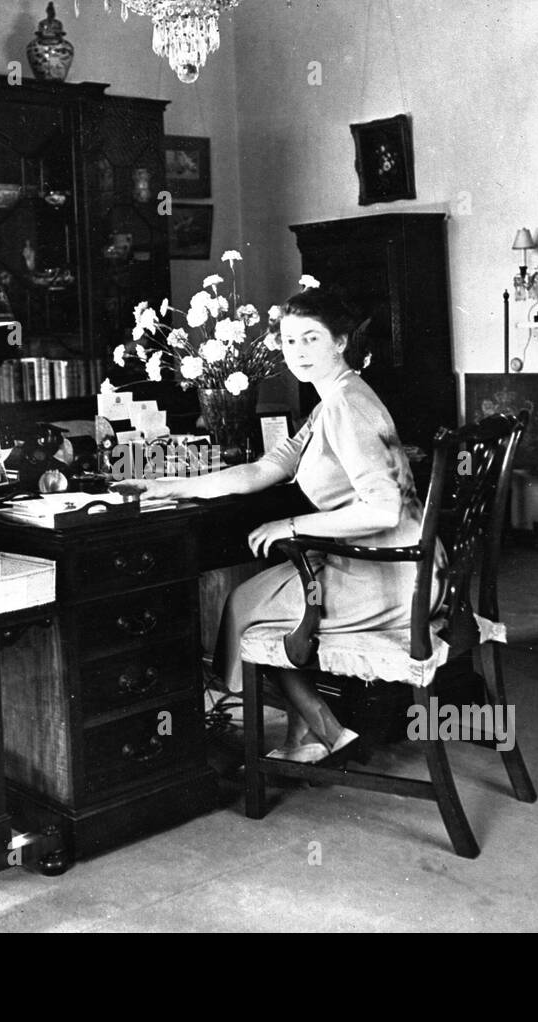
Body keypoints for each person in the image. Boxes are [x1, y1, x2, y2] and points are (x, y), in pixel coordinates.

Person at [114, 288, 442, 764]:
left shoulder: (346, 407)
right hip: (398, 565)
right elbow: (263, 470)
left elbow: (382, 510)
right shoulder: (334, 398)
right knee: (254, 598)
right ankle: (305, 737)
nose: (299, 353)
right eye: (290, 342)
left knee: (245, 608)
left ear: (341, 342)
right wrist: (173, 486)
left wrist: (290, 524)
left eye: (312, 339)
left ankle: (325, 731)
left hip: (391, 576)